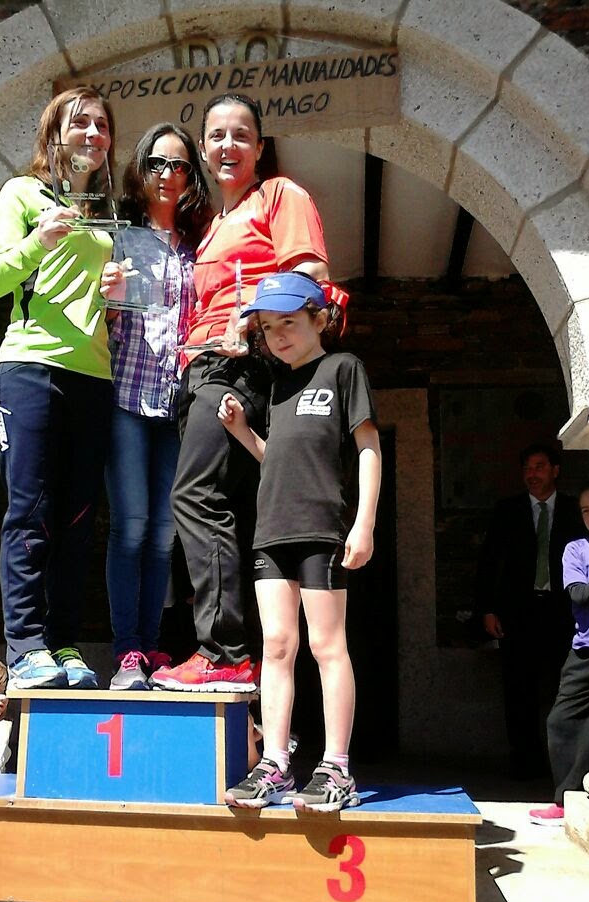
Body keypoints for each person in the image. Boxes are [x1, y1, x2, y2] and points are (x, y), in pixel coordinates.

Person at [151, 93, 330, 691]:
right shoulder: (206, 226)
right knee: (219, 502)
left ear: (259, 146)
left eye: (241, 134)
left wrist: (252, 312)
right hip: (198, 370)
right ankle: (234, 667)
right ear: (203, 150)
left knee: (196, 496)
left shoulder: (279, 195)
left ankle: (223, 653)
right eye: (217, 136)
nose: (228, 145)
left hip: (240, 366)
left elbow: (312, 276)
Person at [218, 272, 381, 811]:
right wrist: (243, 432)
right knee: (277, 646)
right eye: (267, 327)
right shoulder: (277, 386)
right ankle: (275, 764)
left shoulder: (343, 368)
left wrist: (364, 523)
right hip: (272, 530)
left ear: (319, 319)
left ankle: (337, 766)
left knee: (326, 646)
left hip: (322, 529)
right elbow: (278, 460)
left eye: (288, 321)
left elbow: (368, 448)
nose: (278, 335)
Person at [0, 86, 117, 689]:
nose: (93, 133)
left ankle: (63, 643)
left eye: (102, 125)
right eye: (80, 122)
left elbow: (88, 295)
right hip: (29, 368)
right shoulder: (21, 193)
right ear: (53, 134)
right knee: (30, 511)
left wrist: (113, 291)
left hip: (94, 377)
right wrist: (40, 240)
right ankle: (26, 647)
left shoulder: (105, 214)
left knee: (78, 519)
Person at [99, 123, 212, 690]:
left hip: (177, 403)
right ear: (140, 169)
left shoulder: (199, 246)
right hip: (125, 395)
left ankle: (149, 645)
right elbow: (95, 314)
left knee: (165, 533)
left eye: (180, 165)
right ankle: (127, 651)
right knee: (131, 527)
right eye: (157, 164)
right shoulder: (118, 237)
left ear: (192, 177)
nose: (168, 175)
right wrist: (105, 296)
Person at [475, 442, 586, 777]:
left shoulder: (574, 509)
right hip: (518, 611)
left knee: (563, 686)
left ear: (555, 470)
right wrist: (488, 609)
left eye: (539, 467)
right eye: (526, 469)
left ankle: (566, 761)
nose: (532, 475)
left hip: (563, 611)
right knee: (518, 687)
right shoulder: (507, 510)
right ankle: (525, 761)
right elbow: (489, 561)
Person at [530, 485, 589, 824]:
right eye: (585, 510)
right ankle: (566, 799)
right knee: (561, 721)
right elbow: (579, 594)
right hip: (587, 650)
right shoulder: (576, 549)